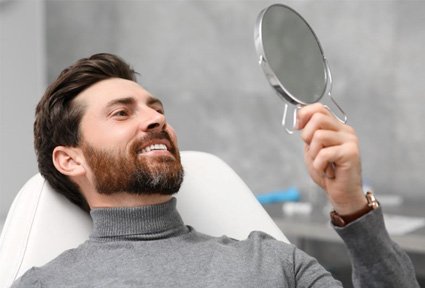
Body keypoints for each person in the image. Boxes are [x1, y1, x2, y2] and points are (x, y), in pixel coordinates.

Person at [12, 53, 419, 287]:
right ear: (70, 159)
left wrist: (351, 206)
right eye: (122, 113)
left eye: (157, 109)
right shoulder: (46, 284)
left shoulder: (271, 262)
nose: (155, 120)